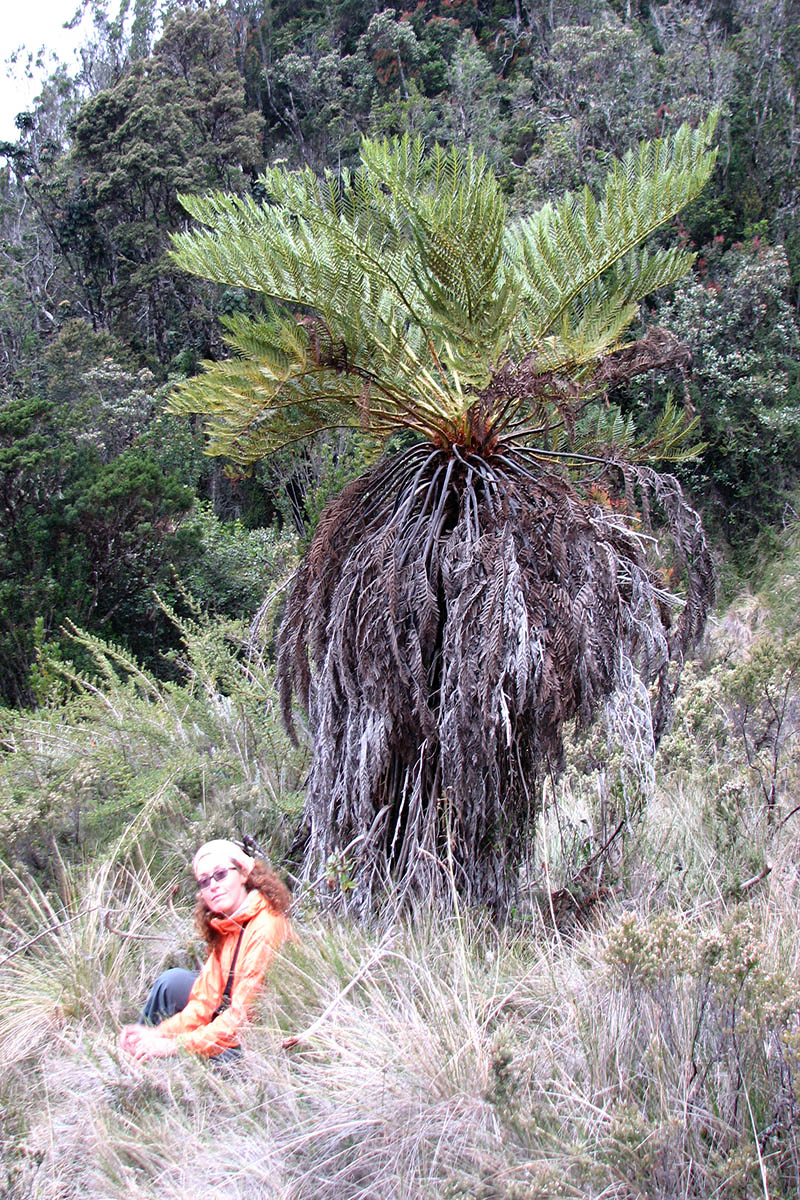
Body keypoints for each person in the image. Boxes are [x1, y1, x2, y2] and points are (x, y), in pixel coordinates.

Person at [119, 839, 292, 1062]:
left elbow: (243, 1020)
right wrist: (160, 1033)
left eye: (220, 874)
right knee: (170, 982)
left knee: (212, 1059)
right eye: (204, 881)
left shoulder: (265, 928)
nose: (213, 885)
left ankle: (151, 1066)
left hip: (265, 1035)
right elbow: (203, 1002)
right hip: (234, 1017)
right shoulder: (227, 925)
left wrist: (175, 1045)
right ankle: (137, 1054)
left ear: (243, 875)